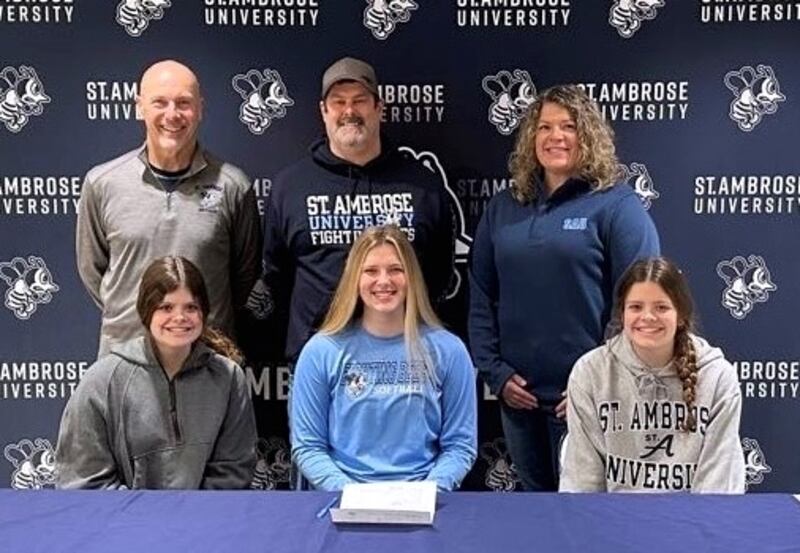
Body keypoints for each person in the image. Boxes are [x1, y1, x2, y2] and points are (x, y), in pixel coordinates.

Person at [469, 84, 660, 491]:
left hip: (590, 404)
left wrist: (596, 387)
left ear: (587, 135)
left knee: (591, 520)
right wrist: (496, 374)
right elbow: (481, 294)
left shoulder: (616, 206)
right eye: (544, 127)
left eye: (568, 126)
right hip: (520, 402)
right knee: (537, 519)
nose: (555, 136)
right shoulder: (505, 206)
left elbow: (641, 305)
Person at [261, 56, 454, 364]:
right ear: (323, 111)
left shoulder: (423, 185)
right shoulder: (290, 186)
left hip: (404, 356)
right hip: (318, 360)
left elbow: (438, 272)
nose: (349, 112)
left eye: (360, 101)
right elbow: (276, 276)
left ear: (379, 108)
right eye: (338, 102)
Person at [76, 59, 262, 356]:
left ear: (200, 108)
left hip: (208, 361)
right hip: (124, 359)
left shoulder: (233, 186)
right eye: (159, 102)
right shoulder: (102, 183)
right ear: (139, 107)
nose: (172, 114)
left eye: (184, 103)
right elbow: (94, 273)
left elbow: (242, 279)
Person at [290, 225, 476, 491]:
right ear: (354, 278)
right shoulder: (321, 352)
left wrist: (427, 491)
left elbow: (460, 446)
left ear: (411, 277)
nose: (384, 281)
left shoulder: (449, 351)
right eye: (371, 271)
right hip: (345, 502)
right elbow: (308, 447)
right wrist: (352, 494)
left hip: (425, 502)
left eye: (396, 270)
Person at [56, 256, 257, 490]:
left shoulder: (228, 377)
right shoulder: (102, 382)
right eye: (166, 307)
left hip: (203, 521)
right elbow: (84, 478)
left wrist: (197, 517)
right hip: (123, 522)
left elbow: (234, 470)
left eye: (191, 307)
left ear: (204, 312)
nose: (180, 317)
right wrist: (143, 519)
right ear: (146, 311)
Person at [560, 257, 745, 493]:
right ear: (622, 314)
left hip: (691, 523)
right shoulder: (590, 372)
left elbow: (718, 486)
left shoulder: (718, 377)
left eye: (661, 307)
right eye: (636, 307)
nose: (647, 317)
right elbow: (582, 480)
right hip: (614, 521)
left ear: (681, 316)